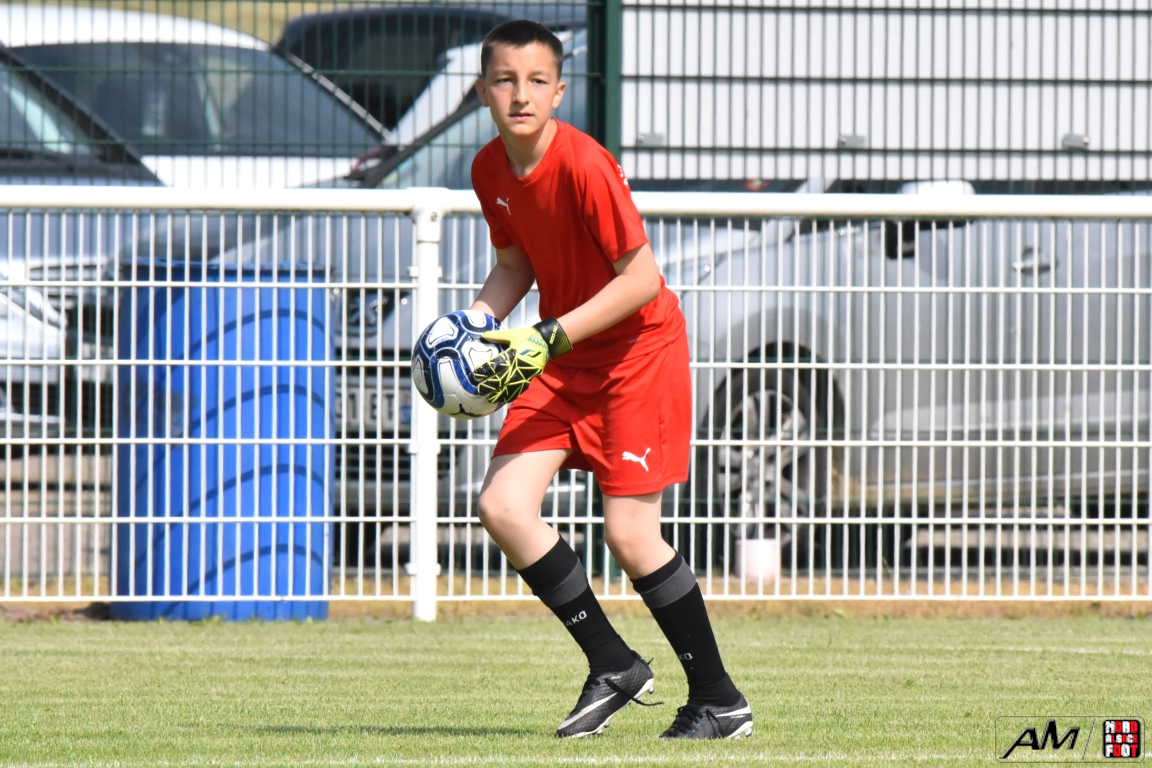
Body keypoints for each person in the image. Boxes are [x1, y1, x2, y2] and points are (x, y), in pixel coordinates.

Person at [466, 19, 752, 740]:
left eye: (537, 81)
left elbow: (641, 279)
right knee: (502, 506)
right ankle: (614, 663)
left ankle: (719, 700)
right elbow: (514, 264)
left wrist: (547, 336)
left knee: (629, 534)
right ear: (482, 90)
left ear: (559, 92)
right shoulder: (488, 169)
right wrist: (471, 325)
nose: (520, 94)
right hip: (562, 359)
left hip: (635, 357)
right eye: (505, 80)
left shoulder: (585, 164)